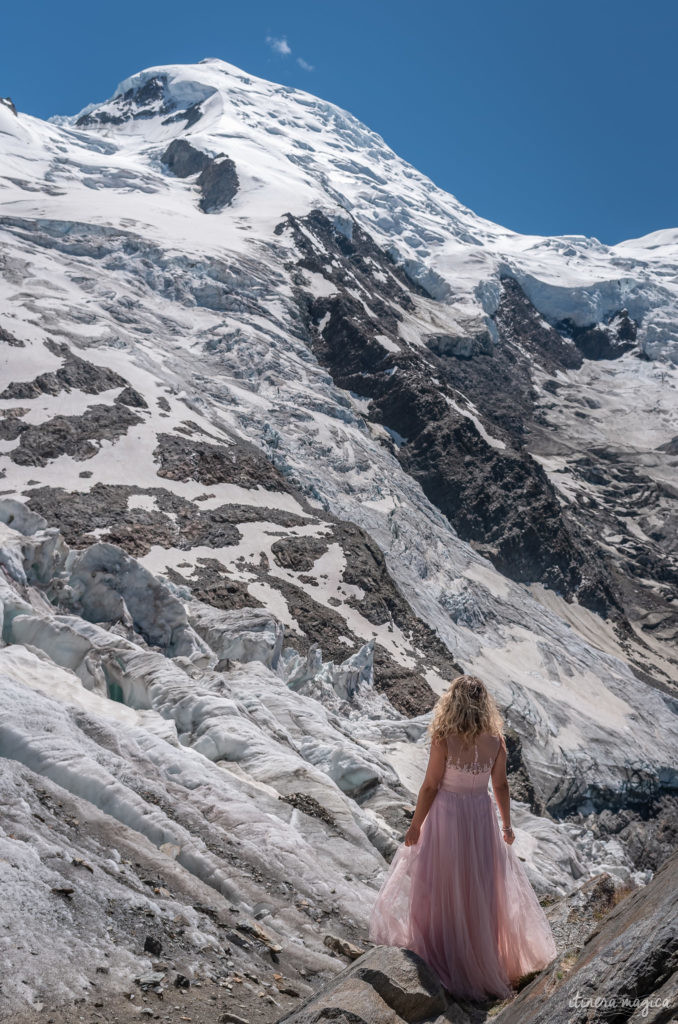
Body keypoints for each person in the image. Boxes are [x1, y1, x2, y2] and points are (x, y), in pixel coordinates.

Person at [368, 674, 557, 1001]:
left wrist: (415, 825)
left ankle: (445, 954)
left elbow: (430, 786)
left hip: (447, 816)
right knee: (479, 886)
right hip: (479, 817)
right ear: (484, 704)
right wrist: (507, 826)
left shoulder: (443, 736)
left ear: (453, 702)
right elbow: (500, 786)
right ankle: (481, 959)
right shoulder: (496, 740)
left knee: (440, 883)